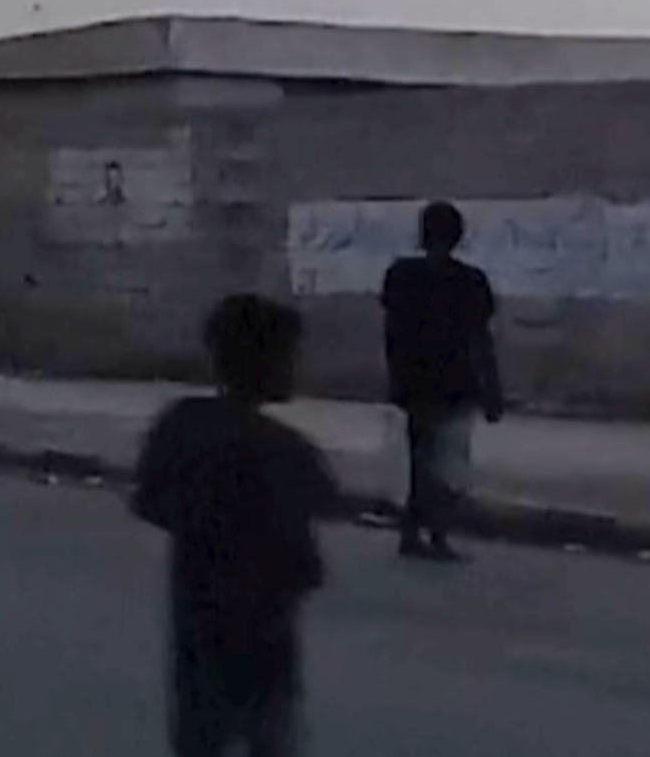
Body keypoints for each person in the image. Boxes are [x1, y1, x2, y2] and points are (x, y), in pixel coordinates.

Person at [133, 294, 338, 757]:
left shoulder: (181, 425)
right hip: (266, 633)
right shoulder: (286, 450)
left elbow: (149, 501)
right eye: (289, 357)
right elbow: (312, 524)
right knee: (272, 735)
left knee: (200, 734)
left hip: (197, 618)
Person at [381, 199, 503, 562]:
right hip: (455, 384)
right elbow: (480, 339)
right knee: (448, 463)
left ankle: (414, 531)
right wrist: (492, 389)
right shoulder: (470, 282)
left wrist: (395, 375)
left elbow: (392, 333)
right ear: (458, 236)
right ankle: (434, 534)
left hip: (414, 381)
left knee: (421, 459)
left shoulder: (401, 276)